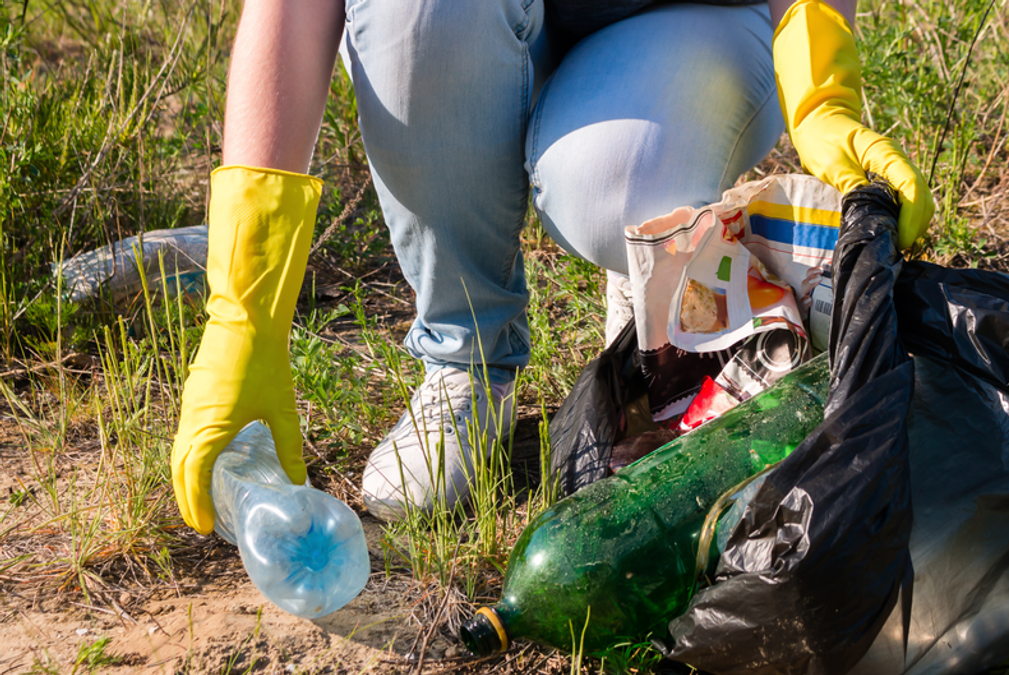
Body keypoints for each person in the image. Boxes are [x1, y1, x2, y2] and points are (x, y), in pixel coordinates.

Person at [170, 0, 933, 534]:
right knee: (418, 16)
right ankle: (465, 362)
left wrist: (824, 92)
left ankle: (646, 282)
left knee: (621, 190)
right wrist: (244, 310)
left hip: (686, 18)